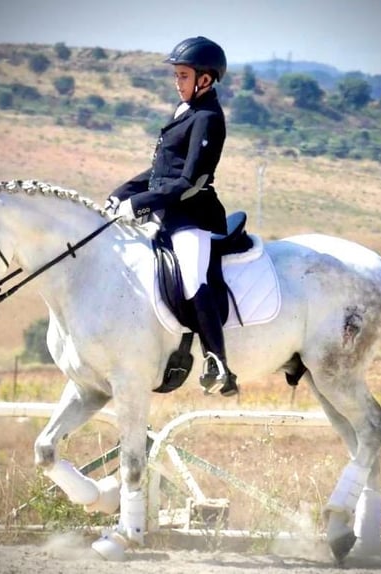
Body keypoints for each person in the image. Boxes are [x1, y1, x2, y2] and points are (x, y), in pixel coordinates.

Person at [104, 36, 238, 397]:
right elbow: (158, 173)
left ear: (205, 80)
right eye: (176, 75)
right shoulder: (185, 112)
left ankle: (218, 361)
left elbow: (189, 180)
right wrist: (121, 194)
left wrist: (141, 203)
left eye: (182, 76)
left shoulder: (208, 118)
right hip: (166, 210)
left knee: (193, 278)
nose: (176, 82)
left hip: (193, 215)